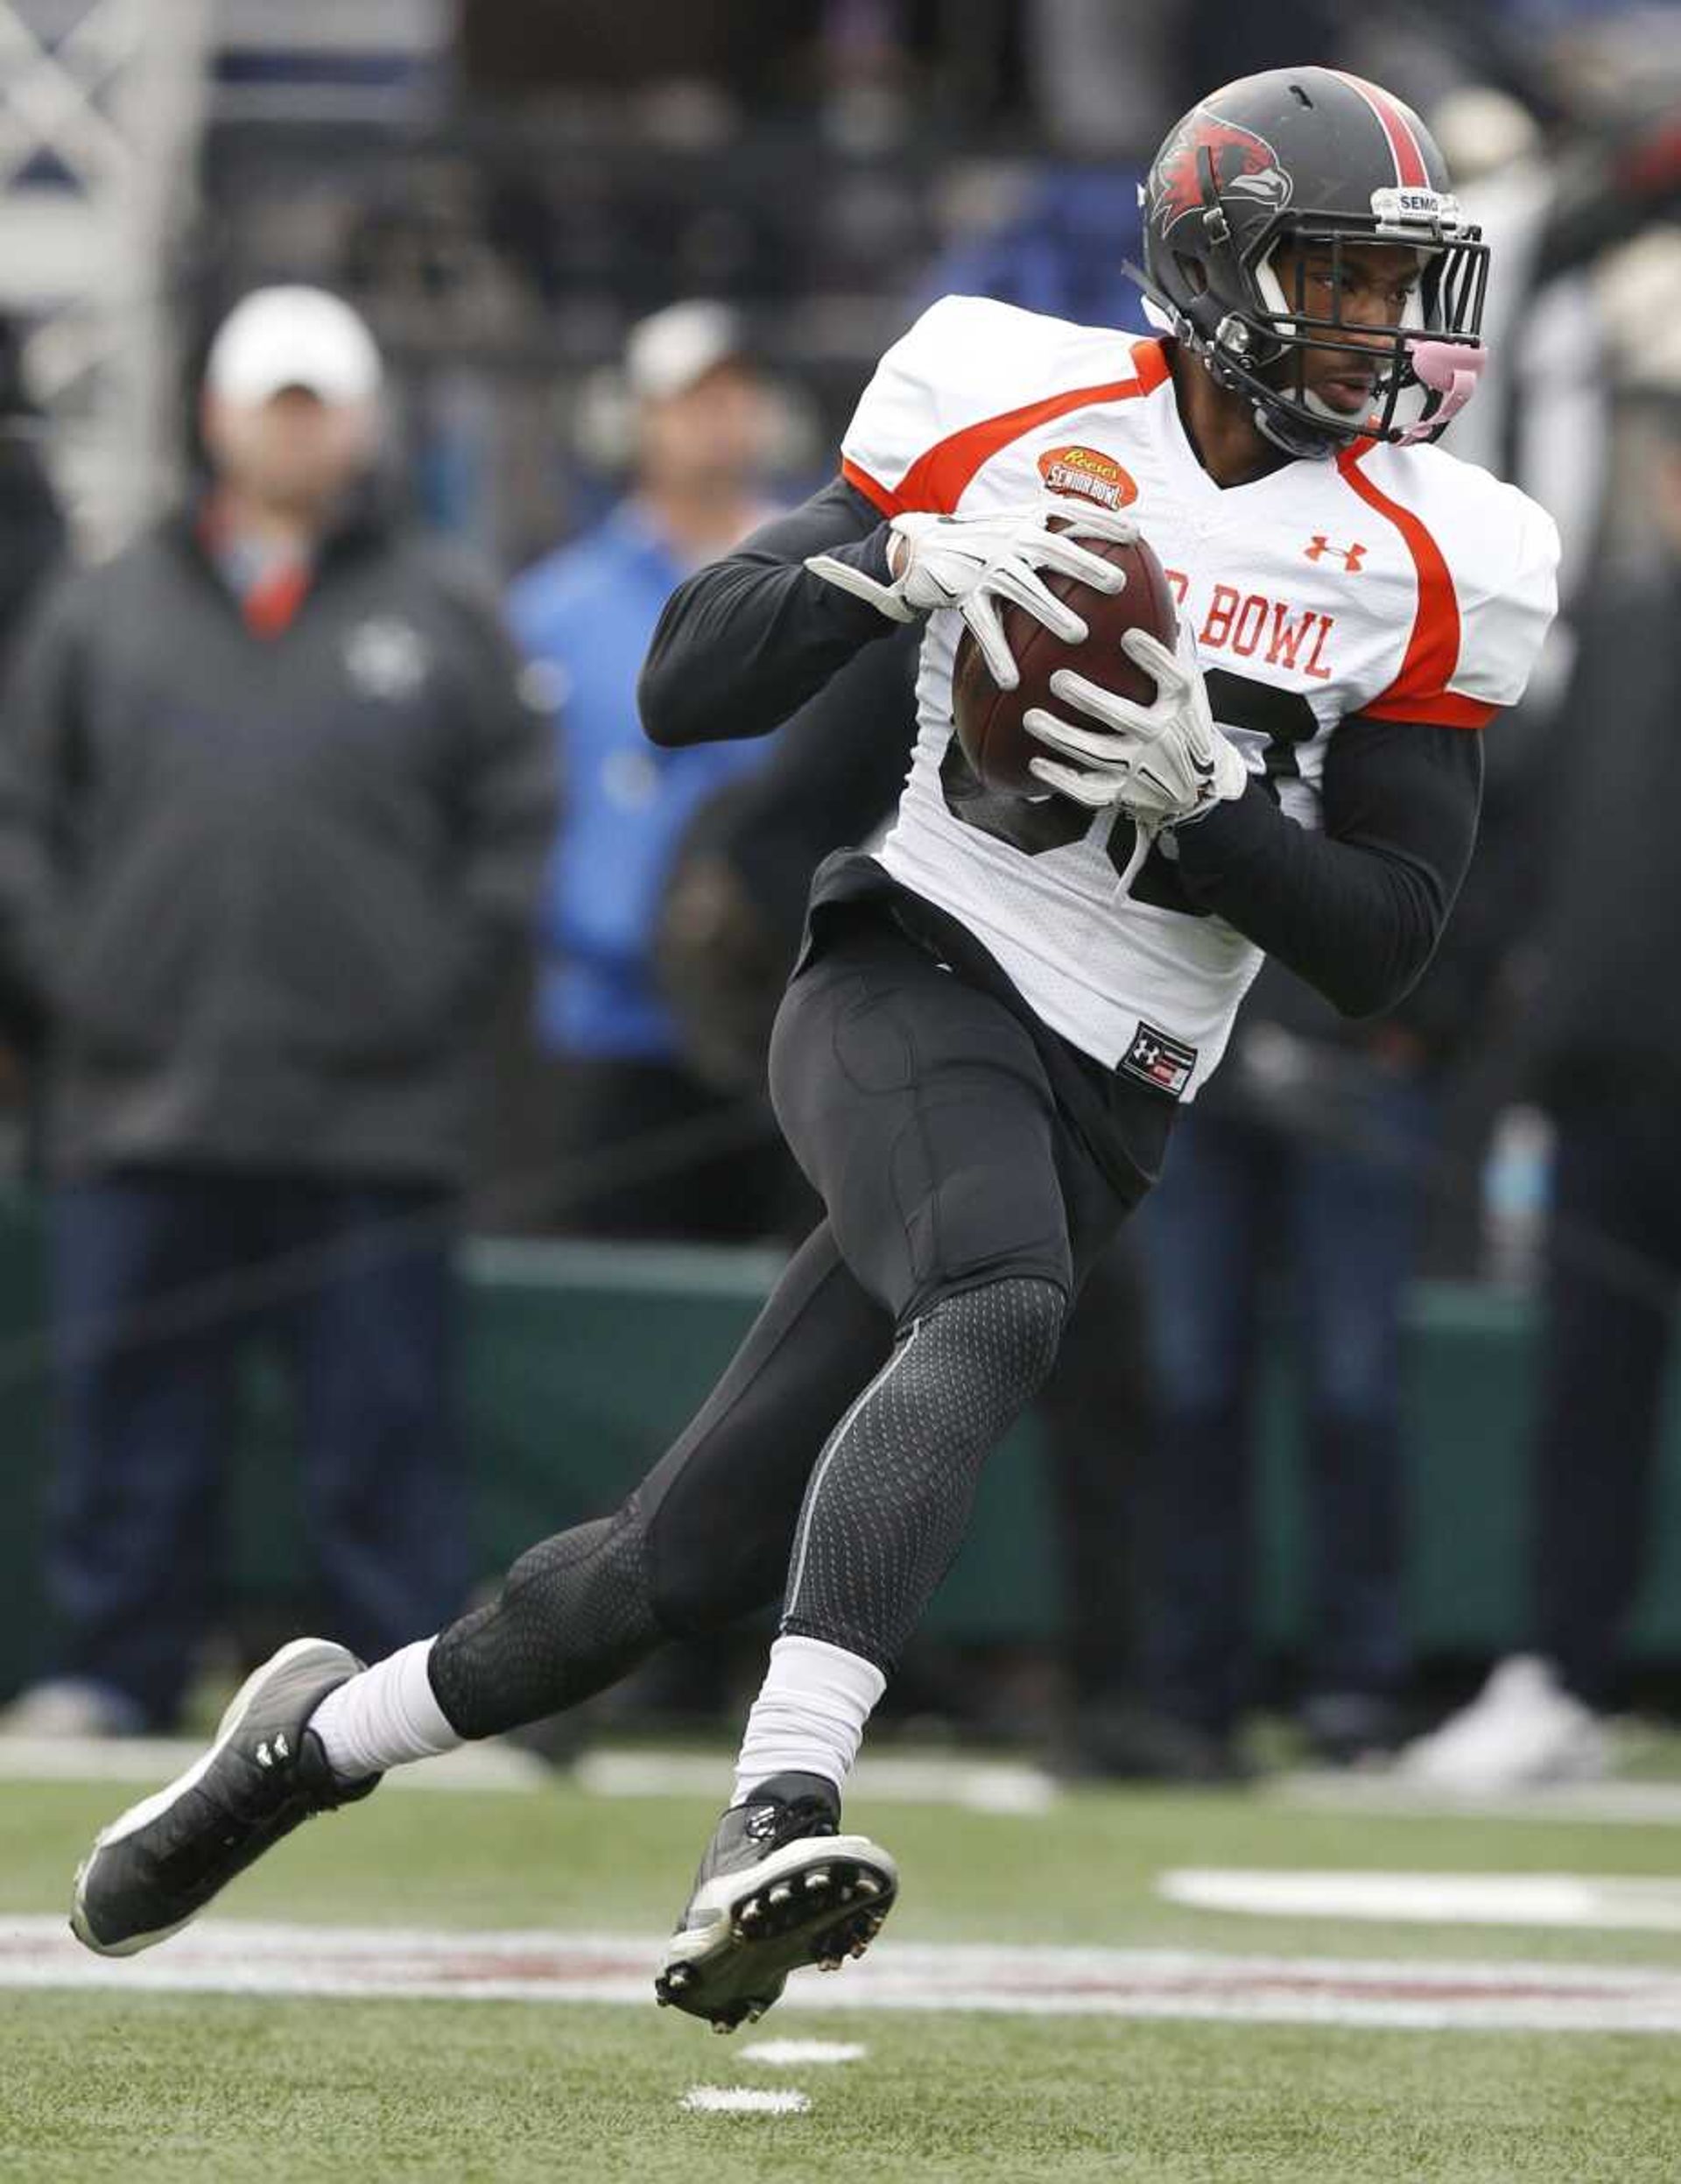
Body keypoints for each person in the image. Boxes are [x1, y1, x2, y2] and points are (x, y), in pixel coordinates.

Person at [67, 70, 1557, 2033]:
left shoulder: (1437, 550)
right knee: (1002, 1298)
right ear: (1214, 268)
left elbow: (1380, 948)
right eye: (1336, 281)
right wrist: (887, 568)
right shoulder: (1007, 400)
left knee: (658, 1567)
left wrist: (1210, 815)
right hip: (912, 962)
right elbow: (691, 674)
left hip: (1119, 1079)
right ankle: (777, 1797)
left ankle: (301, 1745)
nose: (1376, 329)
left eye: (1395, 289)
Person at [0, 286, 555, 1737]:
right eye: (273, 402)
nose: (295, 431)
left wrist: (426, 986)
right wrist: (80, 975)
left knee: (382, 1422)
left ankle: (394, 1688)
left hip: (372, 1111)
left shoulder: (445, 606)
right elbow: (22, 816)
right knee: (130, 1412)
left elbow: (513, 827)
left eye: (319, 404)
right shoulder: (105, 604)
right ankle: (115, 1664)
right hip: (143, 1093)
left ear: (362, 424)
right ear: (216, 415)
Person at [1402, 375, 1681, 1791]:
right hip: (1608, 1087)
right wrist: (1443, 998)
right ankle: (1561, 1671)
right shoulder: (1623, 629)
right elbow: (1529, 843)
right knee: (1586, 1399)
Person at [503, 300, 794, 1239]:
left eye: (735, 395)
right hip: (609, 1027)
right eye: (690, 398)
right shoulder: (551, 613)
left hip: (799, 1031)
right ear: (635, 419)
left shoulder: (837, 587)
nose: (717, 419)